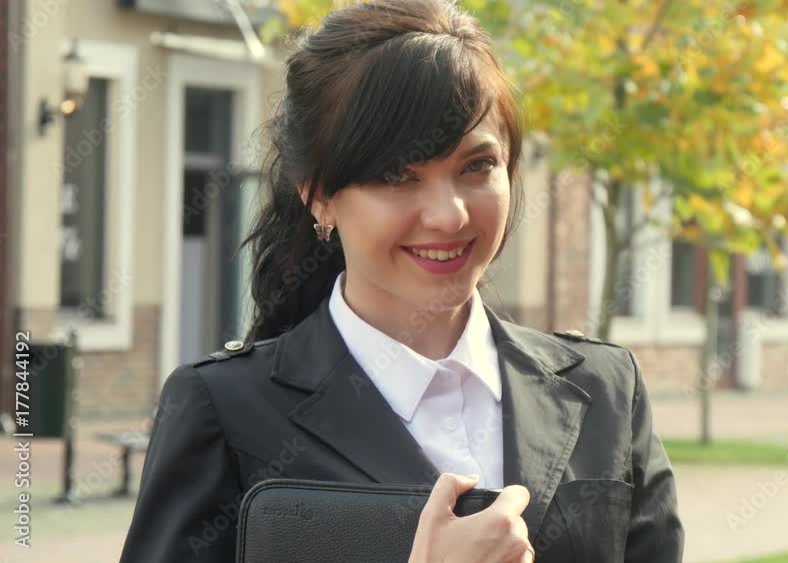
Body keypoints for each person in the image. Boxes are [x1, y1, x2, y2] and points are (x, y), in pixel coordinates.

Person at [119, 1, 683, 561]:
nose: (449, 216)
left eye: (477, 166)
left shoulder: (606, 390)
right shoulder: (224, 411)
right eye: (397, 176)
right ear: (318, 195)